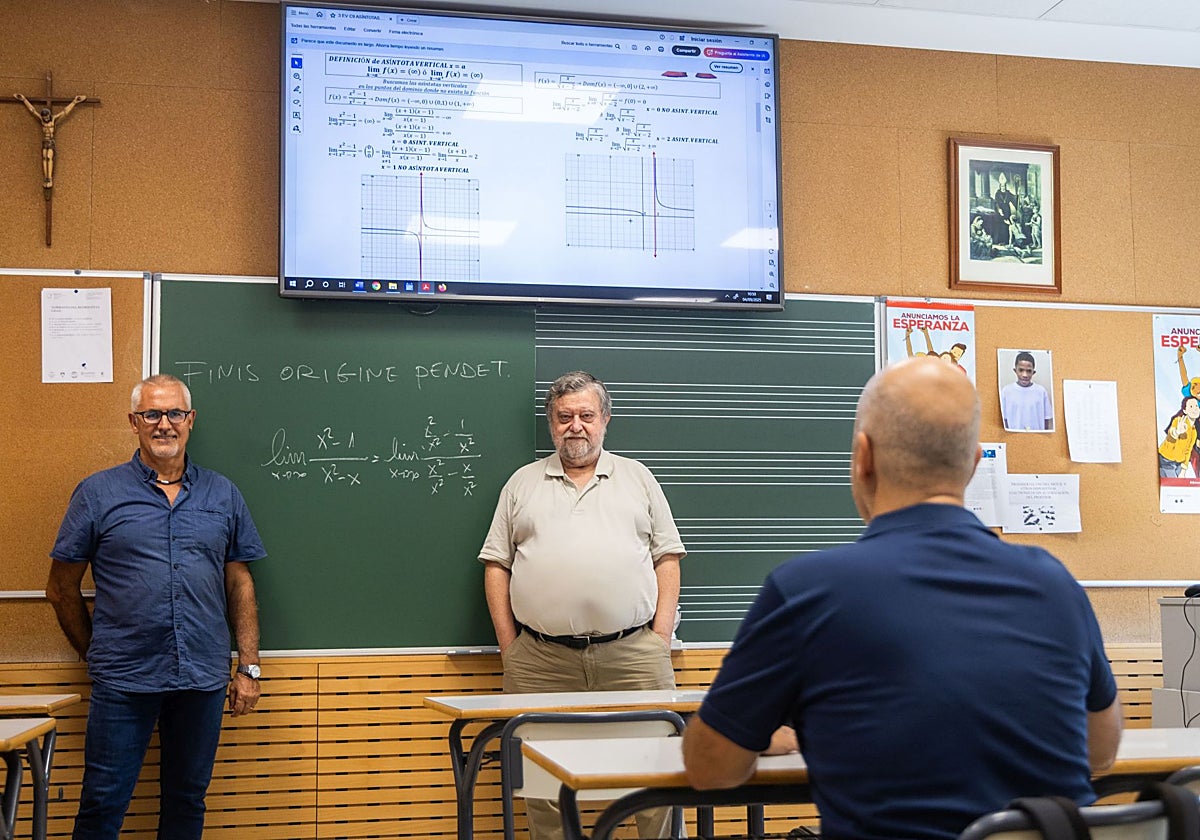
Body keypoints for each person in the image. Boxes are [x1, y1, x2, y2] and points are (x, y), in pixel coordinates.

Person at [681, 356, 1122, 840]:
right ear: (974, 464)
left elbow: (711, 769)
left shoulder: (807, 590)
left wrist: (764, 733)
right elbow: (1100, 750)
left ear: (863, 455)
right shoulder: (1055, 583)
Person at [46, 374, 266, 840]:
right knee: (103, 802)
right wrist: (97, 653)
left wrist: (249, 666)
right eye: (152, 414)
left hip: (202, 677)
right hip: (123, 680)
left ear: (191, 421)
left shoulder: (223, 494)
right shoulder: (97, 494)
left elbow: (239, 581)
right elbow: (61, 588)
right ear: (134, 422)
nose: (164, 424)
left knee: (187, 801)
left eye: (174, 414)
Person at [478, 370, 684, 840]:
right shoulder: (521, 484)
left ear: (605, 420)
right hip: (540, 660)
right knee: (542, 783)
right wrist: (510, 648)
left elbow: (667, 557)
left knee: (658, 772)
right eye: (565, 416)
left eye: (586, 416)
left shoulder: (638, 477)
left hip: (634, 655)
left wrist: (659, 637)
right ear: (551, 424)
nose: (576, 426)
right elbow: (496, 565)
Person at [15, 92, 88, 188]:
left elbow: (65, 112)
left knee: (49, 158)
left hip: (51, 142)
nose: (45, 119)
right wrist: (24, 100)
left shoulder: (53, 120)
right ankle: (46, 178)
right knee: (44, 158)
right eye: (44, 117)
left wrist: (74, 102)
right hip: (44, 142)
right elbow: (32, 110)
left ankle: (49, 178)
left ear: (49, 115)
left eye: (46, 117)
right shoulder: (41, 120)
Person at [1000, 351, 1054, 431]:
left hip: (1037, 439)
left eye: (1028, 371)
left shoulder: (1041, 391)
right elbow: (1004, 419)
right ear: (1015, 371)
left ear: (1033, 372)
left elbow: (1046, 419)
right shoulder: (1006, 391)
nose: (1025, 375)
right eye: (1021, 370)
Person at [1159, 395, 1200, 478]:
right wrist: (1177, 432)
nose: (1195, 409)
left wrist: (1183, 472)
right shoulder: (1178, 421)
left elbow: (1188, 452)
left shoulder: (1194, 431)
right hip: (1167, 460)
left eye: (1196, 406)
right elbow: (1171, 435)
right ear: (1185, 410)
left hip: (1179, 464)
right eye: (1191, 406)